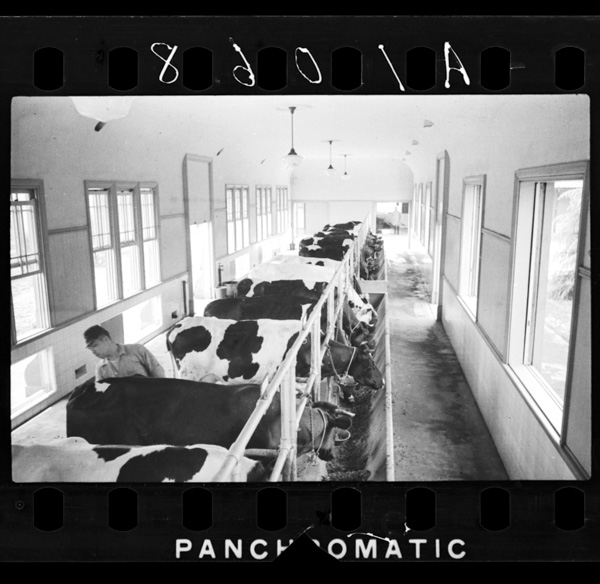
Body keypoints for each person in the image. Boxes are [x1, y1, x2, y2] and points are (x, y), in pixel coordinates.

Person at [84, 325, 166, 381]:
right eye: (90, 349)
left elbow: (157, 371)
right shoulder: (101, 369)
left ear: (106, 339)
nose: (93, 351)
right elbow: (101, 392)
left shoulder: (137, 350)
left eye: (95, 345)